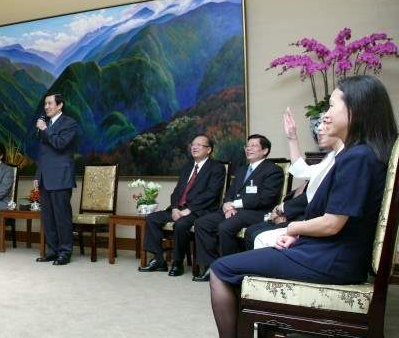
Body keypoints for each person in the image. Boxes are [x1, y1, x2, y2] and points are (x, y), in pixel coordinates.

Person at [191, 75, 397, 338]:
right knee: (245, 260)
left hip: (330, 260)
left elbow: (332, 223)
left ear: (356, 109)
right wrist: (300, 233)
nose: (325, 114)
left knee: (221, 269)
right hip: (332, 253)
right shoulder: (362, 154)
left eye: (332, 106)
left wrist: (293, 227)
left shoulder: (357, 157)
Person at [192, 134, 284, 281]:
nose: (248, 149)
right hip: (234, 210)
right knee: (202, 223)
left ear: (265, 150)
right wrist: (227, 205)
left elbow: (266, 198)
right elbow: (230, 193)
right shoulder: (242, 170)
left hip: (257, 213)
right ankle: (211, 266)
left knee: (225, 227)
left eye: (253, 146)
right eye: (247, 146)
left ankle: (230, 269)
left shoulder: (273, 170)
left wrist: (235, 204)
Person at [244, 113, 343, 250]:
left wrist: (286, 215)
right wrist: (292, 137)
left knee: (258, 237)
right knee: (254, 234)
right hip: (303, 220)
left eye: (325, 123)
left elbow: (324, 213)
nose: (319, 128)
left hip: (317, 229)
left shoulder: (350, 158)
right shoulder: (331, 157)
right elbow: (301, 171)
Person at [138, 134, 226, 276]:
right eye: (193, 144)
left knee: (181, 224)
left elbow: (212, 194)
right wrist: (174, 208)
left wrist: (189, 209)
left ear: (208, 149)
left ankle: (178, 262)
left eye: (199, 145)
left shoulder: (217, 168)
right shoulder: (187, 167)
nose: (194, 147)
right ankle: (159, 260)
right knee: (152, 218)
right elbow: (177, 191)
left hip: (200, 211)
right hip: (178, 209)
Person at [33, 93, 79, 266]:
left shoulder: (69, 123)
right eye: (45, 103)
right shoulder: (47, 124)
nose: (46, 107)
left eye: (50, 103)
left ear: (60, 105)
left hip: (61, 177)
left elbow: (60, 144)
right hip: (45, 177)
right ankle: (52, 251)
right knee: (48, 218)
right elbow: (43, 154)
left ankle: (65, 252)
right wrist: (37, 175)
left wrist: (45, 129)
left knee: (62, 217)